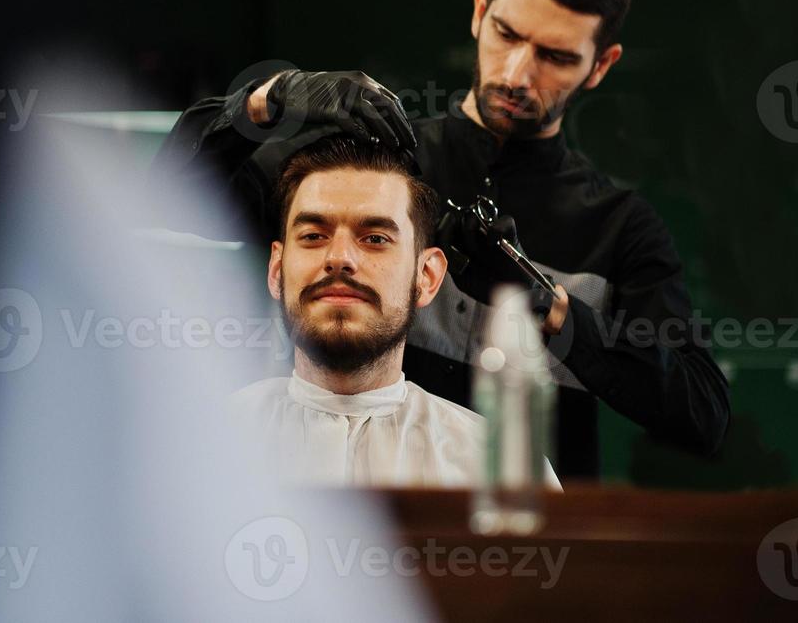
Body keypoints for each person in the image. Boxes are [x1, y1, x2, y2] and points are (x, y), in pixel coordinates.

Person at [156, 0, 729, 477]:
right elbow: (167, 189)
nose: (517, 73)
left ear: (601, 65)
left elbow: (703, 414)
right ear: (481, 11)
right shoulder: (371, 171)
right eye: (507, 34)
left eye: (555, 56)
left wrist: (551, 310)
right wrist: (273, 98)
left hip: (528, 543)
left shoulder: (619, 229)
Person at [228, 134, 562, 488]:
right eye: (313, 236)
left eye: (374, 238)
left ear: (427, 276)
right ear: (277, 269)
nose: (339, 258)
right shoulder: (194, 447)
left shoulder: (500, 471)